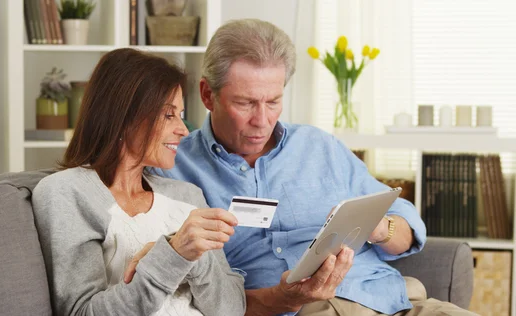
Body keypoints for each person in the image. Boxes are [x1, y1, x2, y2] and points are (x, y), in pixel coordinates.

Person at [149, 19, 477, 315]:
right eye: (245, 103)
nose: (261, 120)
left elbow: (406, 229)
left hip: (388, 299)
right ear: (208, 95)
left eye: (273, 101)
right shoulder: (173, 166)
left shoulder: (320, 147)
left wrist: (382, 229)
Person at [32, 48, 246, 316]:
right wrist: (173, 254)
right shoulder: (66, 192)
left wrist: (195, 260)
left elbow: (232, 310)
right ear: (123, 116)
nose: (183, 129)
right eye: (169, 115)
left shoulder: (186, 195)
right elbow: (83, 312)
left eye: (180, 114)